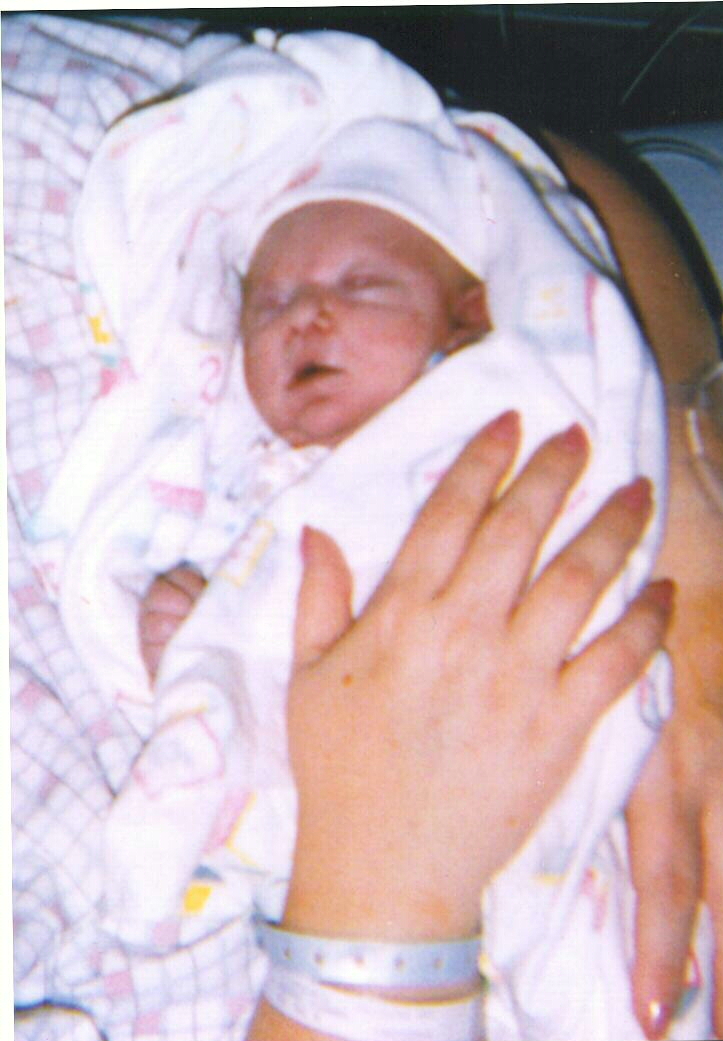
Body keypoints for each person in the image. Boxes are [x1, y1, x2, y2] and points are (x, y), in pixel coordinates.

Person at [130, 115, 698, 1039]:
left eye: (362, 286)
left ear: (466, 316)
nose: (307, 316)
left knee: (604, 951)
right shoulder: (250, 490)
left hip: (557, 754)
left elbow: (601, 464)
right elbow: (259, 680)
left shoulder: (495, 409)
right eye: (270, 304)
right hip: (364, 846)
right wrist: (197, 651)